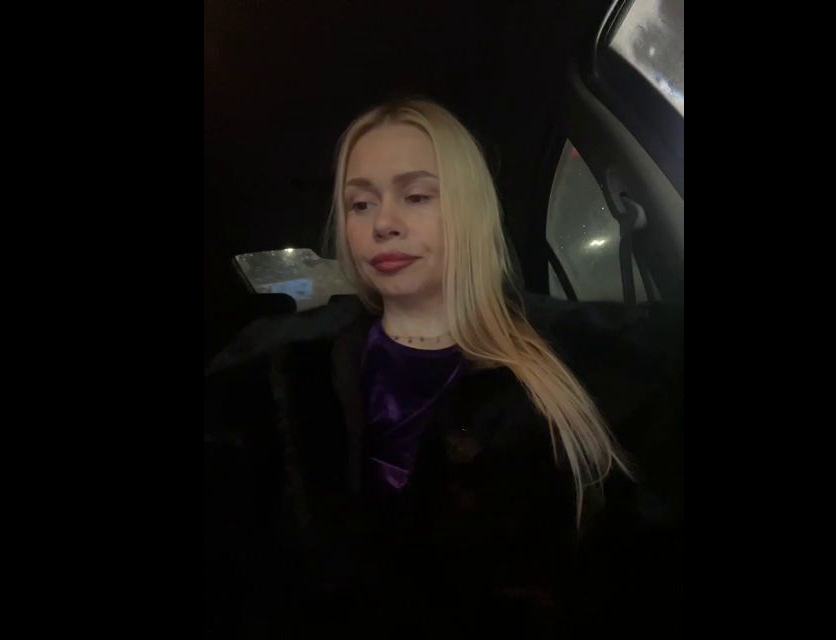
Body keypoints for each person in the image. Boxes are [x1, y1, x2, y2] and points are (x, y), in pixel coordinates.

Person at [206, 98, 681, 638]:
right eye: (360, 204)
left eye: (416, 196)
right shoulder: (270, 374)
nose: (384, 223)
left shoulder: (595, 364)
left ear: (469, 210)